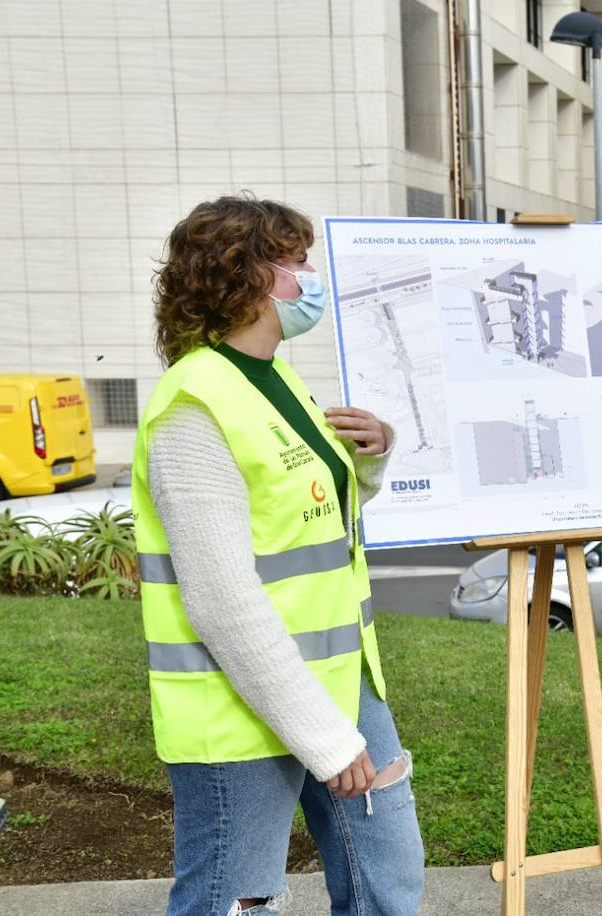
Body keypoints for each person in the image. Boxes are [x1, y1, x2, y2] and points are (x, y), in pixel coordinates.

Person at [131, 195, 425, 915]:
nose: (309, 276)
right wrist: (327, 740)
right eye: (294, 261)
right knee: (235, 902)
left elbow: (310, 513)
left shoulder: (275, 379)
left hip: (340, 676)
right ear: (245, 277)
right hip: (236, 704)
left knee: (388, 877)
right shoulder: (194, 407)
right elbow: (222, 600)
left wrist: (374, 453)